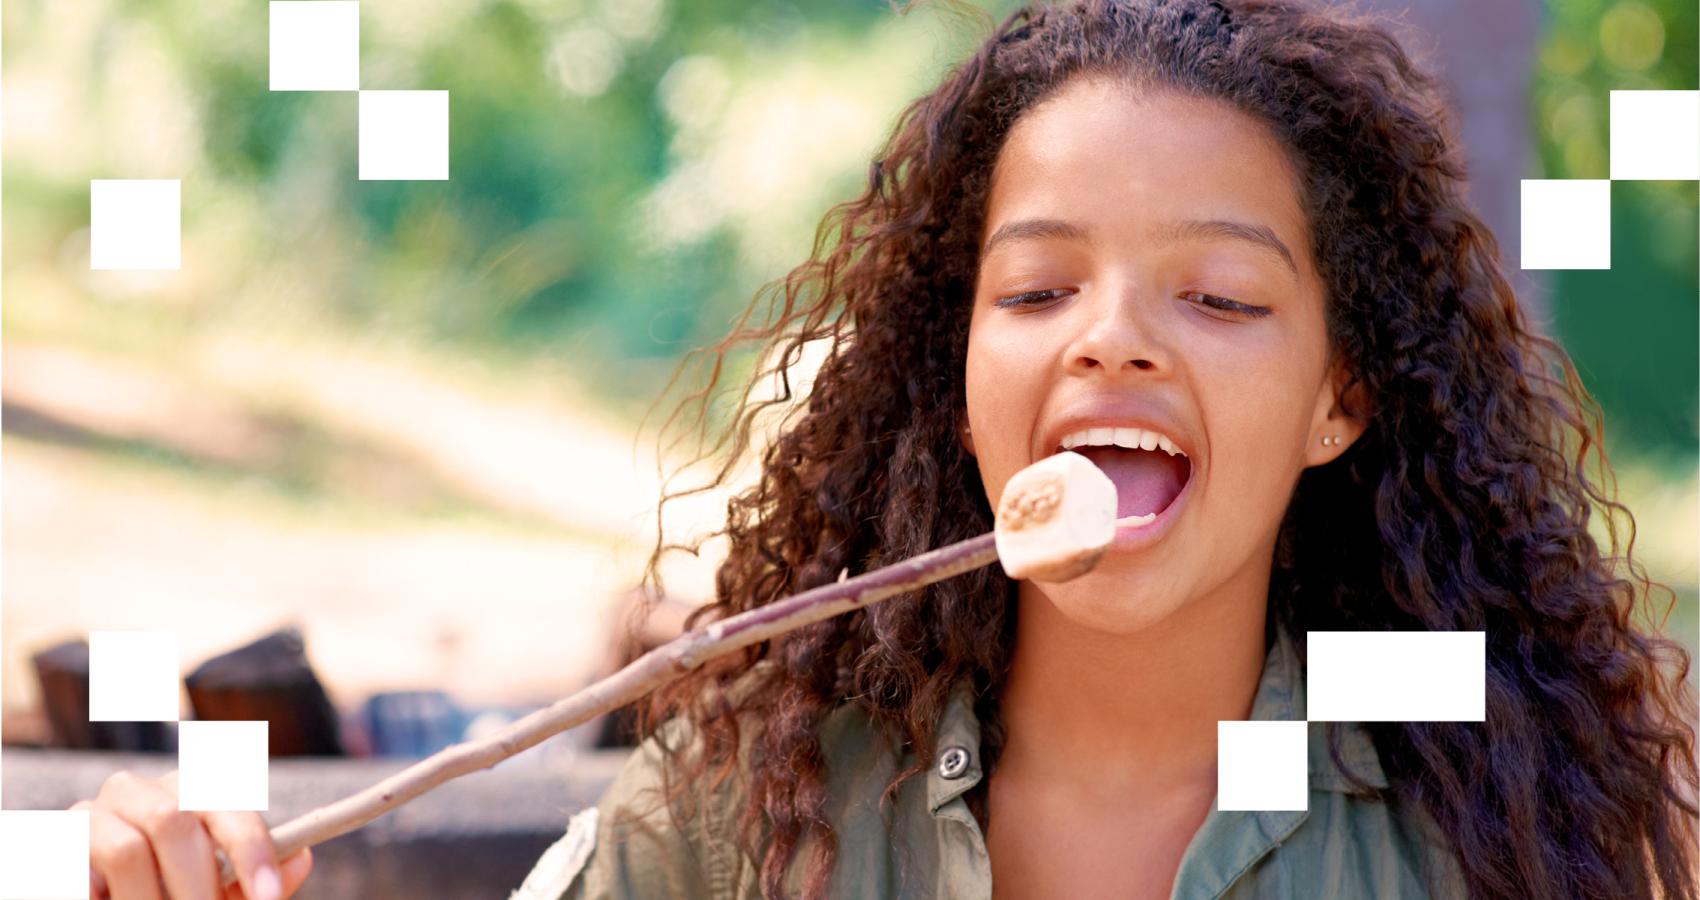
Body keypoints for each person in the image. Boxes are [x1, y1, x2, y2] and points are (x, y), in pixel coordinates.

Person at [79, 1, 1698, 899]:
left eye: (1215, 294)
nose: (1111, 337)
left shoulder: (1503, 827)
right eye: (1038, 286)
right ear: (962, 366)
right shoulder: (750, 813)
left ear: (1342, 400)